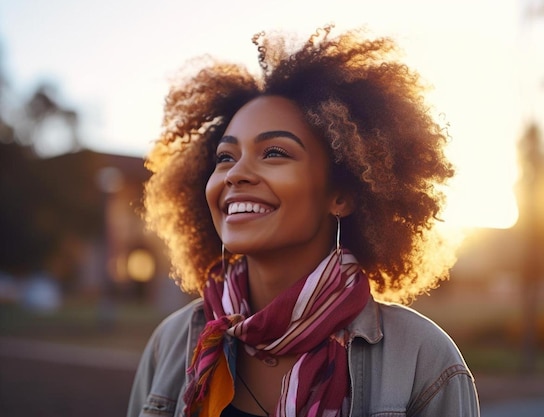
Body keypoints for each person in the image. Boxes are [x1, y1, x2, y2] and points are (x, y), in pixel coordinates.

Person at [127, 25, 480, 417]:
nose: (235, 174)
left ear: (341, 194)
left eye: (274, 152)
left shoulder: (423, 361)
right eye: (225, 157)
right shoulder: (172, 344)